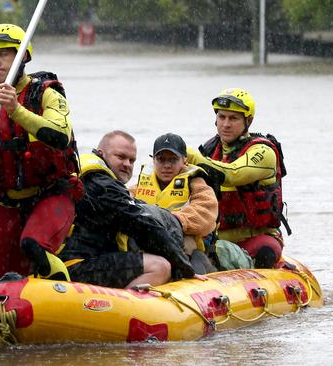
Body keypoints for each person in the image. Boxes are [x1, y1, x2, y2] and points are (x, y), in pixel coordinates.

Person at [0, 24, 81, 287]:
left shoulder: (47, 93)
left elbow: (59, 135)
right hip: (7, 205)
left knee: (34, 245)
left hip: (51, 196)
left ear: (22, 56)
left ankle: (64, 300)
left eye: (3, 55)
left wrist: (16, 110)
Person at [57, 130, 197, 288]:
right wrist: (184, 266)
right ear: (101, 153)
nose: (127, 164)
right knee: (160, 267)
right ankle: (120, 308)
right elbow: (142, 225)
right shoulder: (101, 184)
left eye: (132, 160)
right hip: (78, 265)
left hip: (71, 260)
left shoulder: (88, 178)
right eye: (121, 157)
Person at [186, 88, 290, 268]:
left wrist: (189, 156)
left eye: (233, 118)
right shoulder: (209, 150)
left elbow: (233, 174)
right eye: (222, 117)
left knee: (267, 251)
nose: (226, 124)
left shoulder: (263, 152)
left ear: (248, 121)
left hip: (256, 238)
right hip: (216, 238)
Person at [134, 133, 218, 274]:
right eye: (161, 159)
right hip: (150, 239)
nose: (166, 165)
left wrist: (174, 221)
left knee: (186, 247)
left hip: (186, 242)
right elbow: (124, 202)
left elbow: (206, 212)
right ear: (153, 160)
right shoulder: (141, 183)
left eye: (173, 160)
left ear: (184, 160)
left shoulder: (196, 182)